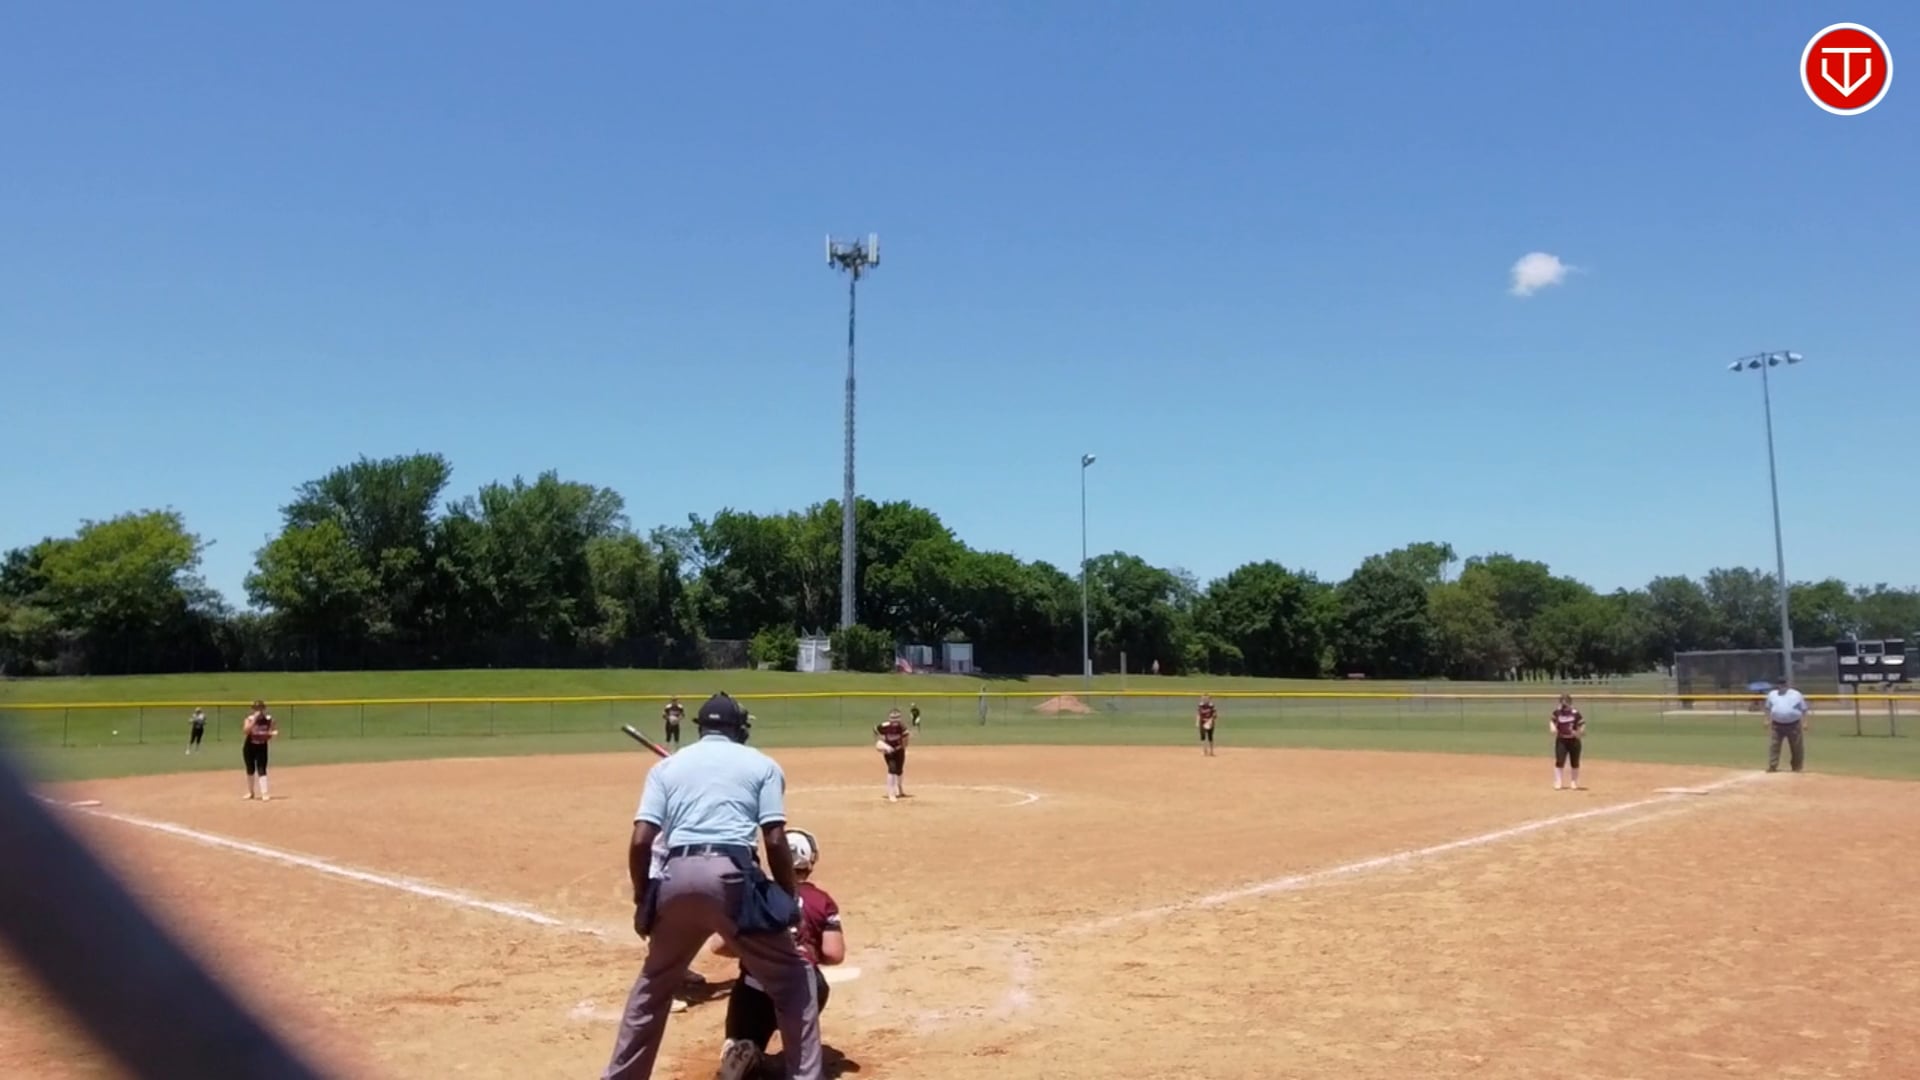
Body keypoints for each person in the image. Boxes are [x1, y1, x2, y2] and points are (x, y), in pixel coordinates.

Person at [601, 693, 821, 1080]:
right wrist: (788, 898)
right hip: (731, 878)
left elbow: (640, 841)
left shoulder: (668, 768)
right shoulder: (762, 764)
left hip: (675, 878)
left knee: (652, 988)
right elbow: (773, 840)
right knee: (794, 978)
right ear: (740, 729)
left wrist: (644, 897)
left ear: (700, 728)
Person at [711, 828, 843, 1080]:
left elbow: (718, 946)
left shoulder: (757, 895)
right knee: (802, 1054)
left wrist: (757, 951)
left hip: (754, 986)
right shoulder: (820, 900)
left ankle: (745, 1051)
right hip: (802, 985)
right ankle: (795, 1060)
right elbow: (834, 953)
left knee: (740, 1048)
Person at [1764, 678, 1809, 773]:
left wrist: (1805, 722)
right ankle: (1772, 766)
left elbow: (1804, 709)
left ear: (1787, 684)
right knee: (1774, 745)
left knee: (1796, 746)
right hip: (1777, 725)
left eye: (1783, 684)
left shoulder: (1796, 694)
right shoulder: (1772, 694)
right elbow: (1767, 708)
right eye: (1780, 684)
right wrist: (1766, 720)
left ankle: (1797, 767)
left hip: (1793, 724)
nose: (1781, 686)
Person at [242, 701, 277, 801]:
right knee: (250, 769)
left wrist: (271, 734)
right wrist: (254, 720)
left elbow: (271, 732)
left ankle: (264, 793)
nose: (259, 711)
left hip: (262, 746)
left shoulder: (268, 719)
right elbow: (246, 731)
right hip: (249, 746)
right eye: (256, 709)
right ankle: (251, 792)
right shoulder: (249, 719)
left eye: (261, 708)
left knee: (262, 768)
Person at [1550, 693, 1585, 790]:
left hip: (1574, 740)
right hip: (1562, 740)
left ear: (1570, 702)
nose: (1564, 704)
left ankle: (1574, 782)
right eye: (1562, 702)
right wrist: (1553, 727)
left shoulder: (1575, 713)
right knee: (1560, 761)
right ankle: (1558, 782)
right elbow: (1552, 720)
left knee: (1575, 762)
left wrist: (1579, 732)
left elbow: (1582, 724)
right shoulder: (1557, 712)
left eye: (1566, 702)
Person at [875, 708, 910, 802]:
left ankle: (900, 789)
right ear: (889, 718)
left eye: (897, 718)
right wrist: (883, 744)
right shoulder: (884, 726)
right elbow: (876, 731)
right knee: (892, 769)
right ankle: (891, 793)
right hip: (889, 751)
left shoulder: (902, 727)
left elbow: (906, 740)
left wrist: (901, 747)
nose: (895, 720)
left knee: (899, 770)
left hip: (899, 750)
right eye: (893, 718)